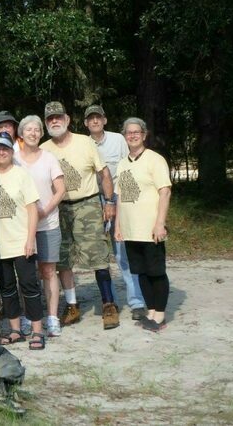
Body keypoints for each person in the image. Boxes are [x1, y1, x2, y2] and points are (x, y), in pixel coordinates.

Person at [40, 101, 120, 330]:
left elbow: (103, 174)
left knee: (98, 255)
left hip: (87, 204)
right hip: (58, 209)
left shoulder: (85, 142)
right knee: (63, 259)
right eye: (50, 119)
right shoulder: (44, 149)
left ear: (67, 119)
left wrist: (110, 202)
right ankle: (72, 305)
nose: (54, 121)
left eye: (58, 117)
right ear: (46, 123)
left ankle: (108, 304)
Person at [84, 105, 146, 320]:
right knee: (100, 254)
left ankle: (137, 301)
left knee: (123, 252)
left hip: (118, 198)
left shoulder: (118, 140)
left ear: (104, 120)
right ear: (85, 123)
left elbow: (127, 166)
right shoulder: (82, 143)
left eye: (98, 117)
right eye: (90, 119)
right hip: (92, 201)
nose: (94, 121)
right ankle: (109, 301)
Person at [115, 117, 172, 332]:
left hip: (150, 229)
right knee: (140, 273)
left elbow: (165, 192)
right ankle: (150, 311)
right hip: (130, 231)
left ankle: (160, 316)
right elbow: (120, 197)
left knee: (156, 272)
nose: (132, 135)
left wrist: (160, 223)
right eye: (128, 132)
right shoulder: (122, 163)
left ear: (144, 134)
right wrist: (118, 226)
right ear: (124, 136)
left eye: (136, 132)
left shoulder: (155, 160)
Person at [0, 132, 46, 350]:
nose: (1, 152)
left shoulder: (21, 174)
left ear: (11, 151)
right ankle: (15, 329)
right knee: (7, 288)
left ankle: (37, 330)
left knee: (29, 286)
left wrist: (30, 238)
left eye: (5, 148)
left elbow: (32, 209)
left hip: (21, 241)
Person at [14, 115, 66, 337]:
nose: (33, 133)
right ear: (21, 134)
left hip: (48, 223)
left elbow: (61, 189)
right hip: (20, 227)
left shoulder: (49, 158)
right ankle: (30, 316)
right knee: (25, 275)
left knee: (48, 270)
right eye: (28, 130)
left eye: (37, 129)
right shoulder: (13, 158)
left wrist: (44, 210)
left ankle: (52, 317)